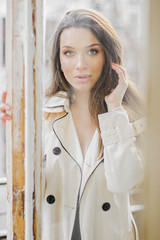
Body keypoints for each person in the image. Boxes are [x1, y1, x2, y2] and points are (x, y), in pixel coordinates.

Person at [0, 8, 145, 240]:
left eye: (92, 51)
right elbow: (23, 194)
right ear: (58, 58)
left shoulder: (127, 115)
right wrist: (16, 132)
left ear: (108, 57)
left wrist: (115, 109)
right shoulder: (43, 115)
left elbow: (126, 183)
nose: (80, 64)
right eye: (69, 52)